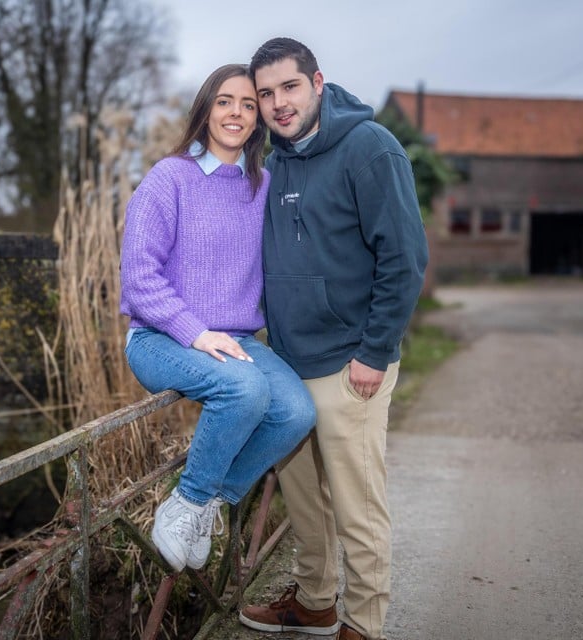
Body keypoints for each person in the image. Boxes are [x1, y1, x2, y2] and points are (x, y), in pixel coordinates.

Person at [237, 38, 429, 640]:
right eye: (265, 93)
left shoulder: (371, 149)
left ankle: (364, 623)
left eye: (288, 87)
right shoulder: (275, 160)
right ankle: (315, 601)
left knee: (356, 506)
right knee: (303, 502)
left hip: (352, 363)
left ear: (318, 82)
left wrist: (375, 352)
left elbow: (404, 257)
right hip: (291, 366)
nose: (277, 104)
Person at [120, 63, 317, 573]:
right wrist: (196, 332)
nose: (237, 112)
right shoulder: (170, 177)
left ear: (258, 121)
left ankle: (211, 503)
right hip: (160, 335)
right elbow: (139, 279)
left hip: (234, 339)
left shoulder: (263, 185)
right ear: (206, 108)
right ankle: (184, 502)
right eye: (226, 101)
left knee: (297, 413)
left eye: (249, 105)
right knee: (246, 391)